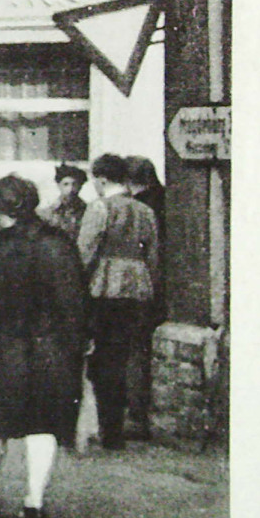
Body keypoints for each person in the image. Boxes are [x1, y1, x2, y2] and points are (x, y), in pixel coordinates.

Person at [0, 174, 86, 518]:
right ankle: (34, 503)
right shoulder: (60, 243)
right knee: (44, 426)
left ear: (1, 208)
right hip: (55, 351)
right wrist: (78, 344)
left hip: (9, 350)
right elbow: (76, 303)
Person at [77, 153, 160, 451]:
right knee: (126, 355)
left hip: (103, 290)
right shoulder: (144, 211)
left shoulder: (99, 209)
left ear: (101, 179)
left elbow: (85, 253)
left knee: (101, 360)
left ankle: (105, 428)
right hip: (136, 290)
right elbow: (153, 257)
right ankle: (121, 427)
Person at [123, 155, 166, 439]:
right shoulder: (166, 199)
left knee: (133, 349)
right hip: (157, 286)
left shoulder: (137, 208)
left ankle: (136, 415)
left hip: (135, 287)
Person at [38, 164, 89, 241]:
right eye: (66, 184)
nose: (70, 189)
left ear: (80, 186)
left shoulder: (88, 211)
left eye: (75, 184)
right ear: (59, 185)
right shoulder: (48, 213)